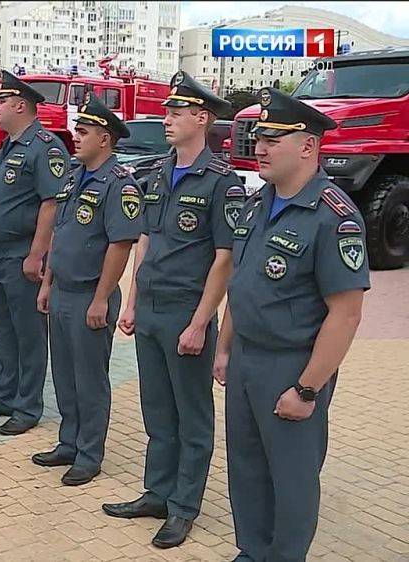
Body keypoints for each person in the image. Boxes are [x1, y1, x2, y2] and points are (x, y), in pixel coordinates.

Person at [215, 87, 368, 562]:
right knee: (246, 468)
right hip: (245, 361)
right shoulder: (259, 204)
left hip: (291, 367)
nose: (259, 147)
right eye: (259, 137)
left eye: (273, 139)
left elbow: (345, 313)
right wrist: (224, 348)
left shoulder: (333, 216)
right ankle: (254, 550)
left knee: (292, 475)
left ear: (308, 146)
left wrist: (307, 389)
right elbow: (242, 286)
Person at [102, 71, 241, 549]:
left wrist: (201, 322)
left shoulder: (222, 181)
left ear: (201, 119)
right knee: (157, 410)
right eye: (167, 111)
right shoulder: (159, 172)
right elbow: (146, 237)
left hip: (187, 311)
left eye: (175, 112)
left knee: (192, 415)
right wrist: (134, 300)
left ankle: (184, 506)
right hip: (153, 309)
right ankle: (157, 492)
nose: (166, 119)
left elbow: (224, 260)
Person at [32, 93, 141, 486]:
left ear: (105, 138)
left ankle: (90, 452)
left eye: (84, 131)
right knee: (63, 373)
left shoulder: (119, 184)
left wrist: (101, 298)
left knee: (89, 378)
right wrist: (47, 283)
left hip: (89, 297)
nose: (75, 137)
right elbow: (60, 235)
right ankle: (69, 441)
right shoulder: (74, 177)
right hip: (62, 290)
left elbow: (120, 244)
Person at [0, 71, 68, 436]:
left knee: (28, 334)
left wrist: (37, 254)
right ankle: (4, 395)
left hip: (20, 255)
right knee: (4, 330)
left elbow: (51, 203)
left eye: (0, 102)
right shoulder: (7, 147)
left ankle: (28, 405)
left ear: (19, 105)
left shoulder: (45, 147)